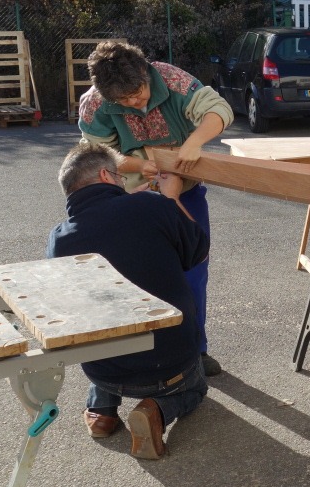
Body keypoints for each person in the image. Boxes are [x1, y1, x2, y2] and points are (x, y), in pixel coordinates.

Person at [79, 40, 233, 376]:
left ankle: (196, 351)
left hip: (184, 191)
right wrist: (137, 165)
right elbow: (98, 155)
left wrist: (193, 143)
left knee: (193, 271)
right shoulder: (95, 105)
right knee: (134, 276)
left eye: (138, 93)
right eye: (124, 101)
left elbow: (219, 109)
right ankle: (143, 357)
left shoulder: (173, 80)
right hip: (130, 198)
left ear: (145, 72)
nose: (135, 103)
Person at [46, 143, 209, 459]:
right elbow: (199, 252)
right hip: (169, 362)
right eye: (120, 176)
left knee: (105, 327)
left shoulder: (59, 239)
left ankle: (102, 413)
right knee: (196, 387)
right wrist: (171, 199)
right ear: (106, 175)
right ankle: (157, 409)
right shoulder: (153, 206)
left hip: (103, 369)